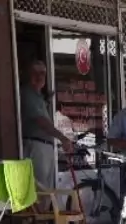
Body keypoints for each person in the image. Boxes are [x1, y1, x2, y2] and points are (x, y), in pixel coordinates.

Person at [19, 60, 74, 193]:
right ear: (28, 74)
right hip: (36, 146)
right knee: (40, 191)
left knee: (47, 192)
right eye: (35, 73)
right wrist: (62, 137)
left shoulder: (38, 96)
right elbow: (40, 120)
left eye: (42, 73)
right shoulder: (27, 93)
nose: (39, 76)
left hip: (45, 146)